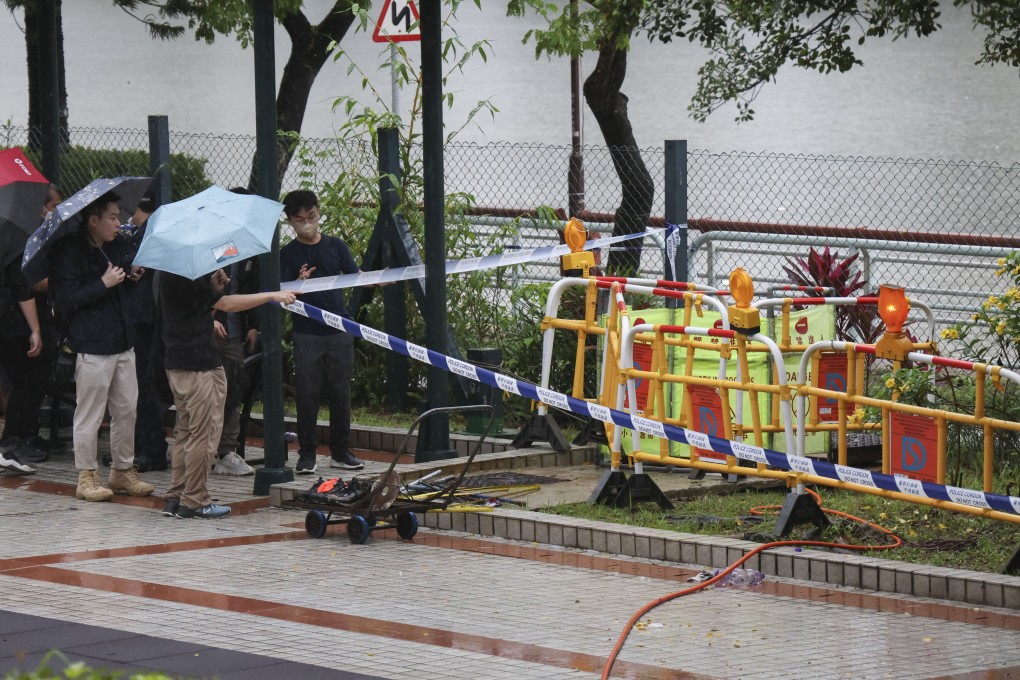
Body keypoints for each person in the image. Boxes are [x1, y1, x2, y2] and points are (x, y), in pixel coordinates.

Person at [157, 267, 297, 519]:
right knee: (204, 434)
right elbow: (227, 304)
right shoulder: (191, 273)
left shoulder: (167, 272)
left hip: (175, 361)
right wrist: (270, 296)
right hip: (199, 364)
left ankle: (175, 496)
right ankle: (195, 499)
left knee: (185, 433)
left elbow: (197, 310)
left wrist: (213, 289)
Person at [51, 191, 154, 502]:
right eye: (111, 217)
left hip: (123, 339)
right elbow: (66, 299)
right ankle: (86, 475)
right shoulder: (69, 251)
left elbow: (124, 267)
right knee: (91, 412)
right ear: (93, 220)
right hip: (92, 343)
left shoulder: (116, 245)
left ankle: (122, 471)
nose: (118, 222)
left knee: (126, 409)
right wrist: (102, 283)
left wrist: (131, 274)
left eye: (118, 215)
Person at [279, 190, 364, 475]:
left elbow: (356, 276)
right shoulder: (287, 254)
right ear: (289, 221)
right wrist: (297, 281)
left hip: (339, 330)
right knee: (307, 393)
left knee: (341, 392)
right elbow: (279, 292)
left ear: (318, 213)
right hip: (306, 334)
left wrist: (379, 279)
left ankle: (341, 451)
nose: (307, 223)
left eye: (311, 216)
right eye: (299, 219)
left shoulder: (336, 246)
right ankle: (307, 454)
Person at [211, 187, 261, 477]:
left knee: (232, 389)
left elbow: (248, 287)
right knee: (202, 392)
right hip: (207, 328)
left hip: (234, 329)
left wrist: (252, 324)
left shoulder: (247, 244)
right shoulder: (210, 242)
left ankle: (227, 450)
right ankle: (195, 449)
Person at [121, 196, 170, 472]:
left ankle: (150, 449)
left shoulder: (147, 234)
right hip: (146, 319)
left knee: (141, 386)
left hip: (142, 320)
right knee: (140, 385)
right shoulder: (147, 233)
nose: (120, 220)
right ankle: (145, 446)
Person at [0, 255, 42, 475]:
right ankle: (8, 446)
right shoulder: (13, 244)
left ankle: (9, 445)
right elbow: (22, 287)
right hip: (10, 324)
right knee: (19, 382)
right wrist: (35, 329)